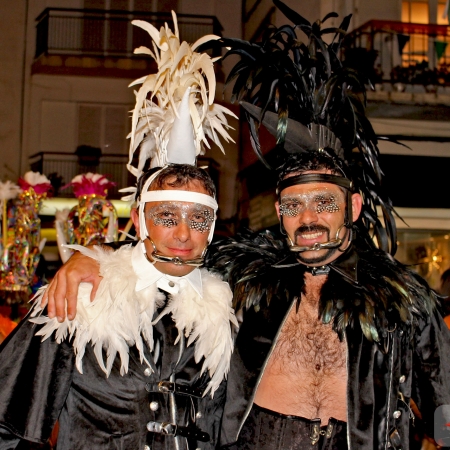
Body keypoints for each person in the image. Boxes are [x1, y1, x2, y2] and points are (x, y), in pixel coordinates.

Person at [33, 2, 450, 449]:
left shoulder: (403, 301)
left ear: (353, 205)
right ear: (278, 211)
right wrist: (93, 260)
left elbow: (445, 411)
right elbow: (172, 249)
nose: (308, 218)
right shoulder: (246, 277)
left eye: (324, 203)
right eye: (294, 206)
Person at [0, 13, 238, 450]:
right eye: (166, 216)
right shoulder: (77, 296)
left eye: (198, 219)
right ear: (139, 221)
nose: (183, 233)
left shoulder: (227, 307)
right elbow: (8, 423)